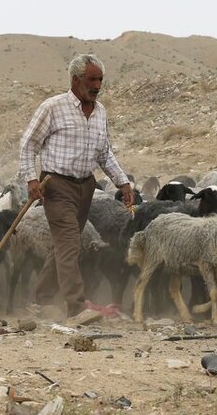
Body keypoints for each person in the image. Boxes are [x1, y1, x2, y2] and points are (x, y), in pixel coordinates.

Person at [19, 54, 134, 319]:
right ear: (75, 80)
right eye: (91, 79)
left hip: (86, 187)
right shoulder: (53, 107)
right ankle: (76, 307)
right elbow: (28, 145)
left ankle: (43, 298)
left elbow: (105, 154)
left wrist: (123, 182)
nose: (97, 85)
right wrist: (31, 179)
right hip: (56, 185)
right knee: (70, 241)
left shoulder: (100, 112)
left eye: (100, 79)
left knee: (66, 245)